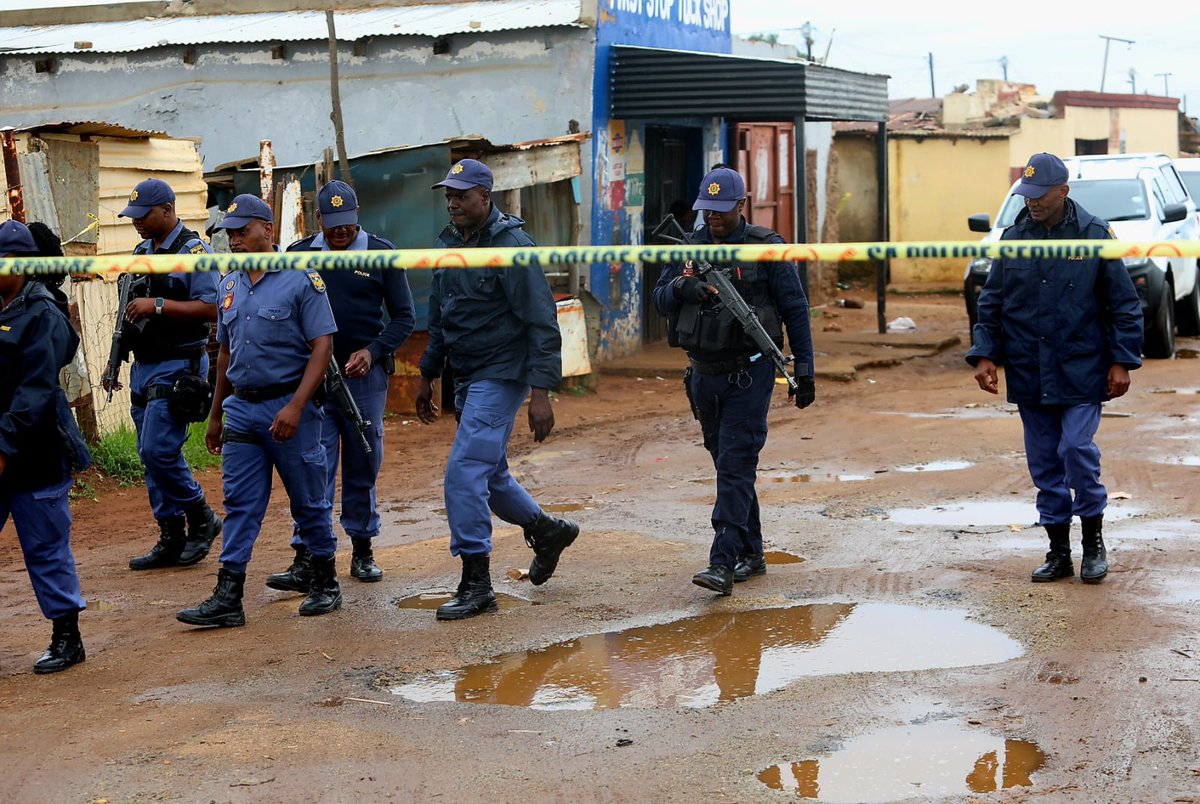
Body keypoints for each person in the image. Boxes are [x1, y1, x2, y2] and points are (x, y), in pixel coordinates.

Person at [967, 152, 1143, 585]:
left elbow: (1124, 303)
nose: (1032, 203)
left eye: (1040, 195)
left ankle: (1093, 544)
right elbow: (992, 302)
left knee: (1076, 450)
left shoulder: (1093, 234)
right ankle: (1059, 552)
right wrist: (985, 353)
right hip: (1030, 367)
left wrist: (1122, 360)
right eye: (1026, 195)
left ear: (1062, 191)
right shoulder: (1013, 238)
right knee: (1045, 465)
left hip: (1082, 366)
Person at [416, 158, 579, 621]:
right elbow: (440, 314)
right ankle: (547, 531)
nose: (453, 203)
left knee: (463, 472)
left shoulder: (512, 245)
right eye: (449, 195)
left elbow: (542, 321)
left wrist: (542, 392)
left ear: (486, 197)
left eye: (462, 196)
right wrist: (428, 373)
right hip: (466, 374)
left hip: (503, 372)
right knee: (489, 475)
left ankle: (477, 582)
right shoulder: (449, 242)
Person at [177, 194, 341, 627]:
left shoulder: (301, 279)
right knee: (240, 504)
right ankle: (228, 597)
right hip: (243, 412)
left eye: (241, 230)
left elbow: (322, 345)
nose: (234, 239)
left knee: (309, 501)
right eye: (229, 233)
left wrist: (296, 406)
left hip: (290, 409)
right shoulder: (229, 285)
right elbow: (225, 354)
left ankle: (325, 581)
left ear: (267, 230)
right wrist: (215, 415)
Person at [652, 164, 815, 596]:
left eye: (722, 210)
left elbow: (795, 309)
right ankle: (752, 551)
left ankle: (721, 562)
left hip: (751, 371)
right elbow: (659, 300)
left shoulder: (765, 247)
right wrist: (682, 290)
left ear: (741, 205)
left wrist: (806, 369)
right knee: (729, 466)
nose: (714, 218)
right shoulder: (689, 246)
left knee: (736, 464)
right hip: (703, 375)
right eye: (708, 210)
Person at [264, 180, 415, 591]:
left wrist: (372, 350)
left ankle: (362, 548)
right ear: (319, 221)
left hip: (364, 378)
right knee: (312, 465)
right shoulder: (298, 257)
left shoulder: (382, 254)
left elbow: (404, 318)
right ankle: (307, 556)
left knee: (363, 462)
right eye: (332, 226)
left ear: (357, 215)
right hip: (312, 380)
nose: (340, 233)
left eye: (346, 224)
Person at [110, 178, 223, 571]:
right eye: (134, 217)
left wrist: (157, 304)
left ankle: (202, 516)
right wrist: (115, 360)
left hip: (180, 364)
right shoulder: (142, 250)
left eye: (144, 216)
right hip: (143, 364)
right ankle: (171, 535)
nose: (137, 223)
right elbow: (129, 305)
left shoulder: (195, 251)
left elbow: (212, 308)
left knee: (158, 450)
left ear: (168, 210)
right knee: (148, 455)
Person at [0, 220, 92, 672]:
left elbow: (34, 392)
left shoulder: (43, 315)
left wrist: (2, 444)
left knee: (45, 547)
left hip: (33, 451)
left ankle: (66, 636)